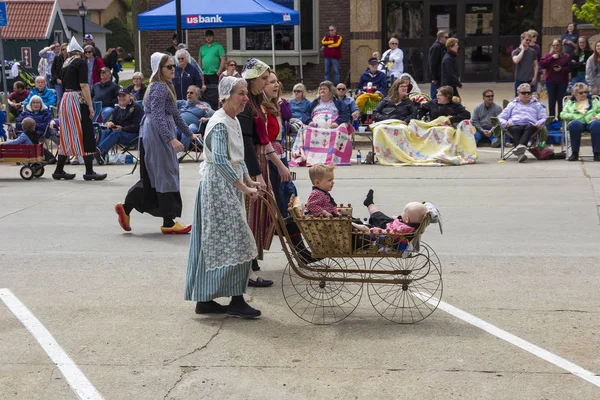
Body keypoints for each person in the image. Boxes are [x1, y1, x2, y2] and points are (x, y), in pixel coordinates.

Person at [184, 76, 263, 318]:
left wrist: (249, 180)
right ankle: (234, 300)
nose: (245, 98)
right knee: (233, 240)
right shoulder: (219, 123)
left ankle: (207, 299)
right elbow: (219, 160)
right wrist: (243, 186)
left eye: (246, 93)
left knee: (224, 241)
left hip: (230, 186)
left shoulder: (233, 120)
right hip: (218, 189)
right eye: (241, 93)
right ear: (226, 96)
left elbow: (237, 157)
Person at [114, 53, 197, 233]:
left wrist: (189, 134)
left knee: (158, 175)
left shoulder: (164, 86)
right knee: (164, 174)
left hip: (155, 131)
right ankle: (166, 221)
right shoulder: (159, 87)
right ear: (159, 69)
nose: (173, 69)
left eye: (173, 66)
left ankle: (131, 209)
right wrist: (171, 138)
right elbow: (159, 116)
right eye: (169, 67)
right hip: (157, 133)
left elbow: (174, 113)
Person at [238, 57, 291, 281]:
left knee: (260, 215)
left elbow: (264, 140)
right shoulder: (246, 105)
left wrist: (278, 165)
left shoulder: (257, 103)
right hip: (252, 165)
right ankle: (247, 264)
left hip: (261, 162)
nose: (266, 82)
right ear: (251, 80)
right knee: (251, 214)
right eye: (263, 78)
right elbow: (247, 143)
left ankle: (252, 259)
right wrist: (256, 174)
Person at [52, 37, 106, 181]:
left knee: (67, 133)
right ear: (81, 52)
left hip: (65, 99)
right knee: (86, 131)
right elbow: (84, 85)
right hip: (77, 99)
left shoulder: (65, 63)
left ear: (69, 52)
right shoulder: (81, 63)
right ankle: (89, 171)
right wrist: (90, 105)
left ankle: (59, 170)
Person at [497, 83, 548, 163]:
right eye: (524, 93)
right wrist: (505, 123)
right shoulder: (512, 104)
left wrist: (539, 123)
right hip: (514, 124)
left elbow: (544, 117)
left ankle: (519, 152)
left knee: (530, 127)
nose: (526, 94)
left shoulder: (537, 105)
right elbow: (501, 117)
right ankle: (520, 152)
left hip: (530, 124)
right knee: (516, 129)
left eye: (528, 93)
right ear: (518, 94)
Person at [96, 88, 144, 160]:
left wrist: (122, 128)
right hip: (120, 132)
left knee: (116, 133)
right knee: (106, 131)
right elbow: (113, 120)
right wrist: (110, 123)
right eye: (119, 96)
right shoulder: (117, 108)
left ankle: (99, 153)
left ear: (129, 96)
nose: (121, 98)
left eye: (123, 96)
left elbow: (138, 126)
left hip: (133, 135)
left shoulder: (136, 107)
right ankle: (100, 154)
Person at [560, 82, 600, 162]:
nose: (584, 94)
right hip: (577, 122)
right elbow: (562, 114)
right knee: (575, 124)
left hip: (591, 121)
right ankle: (575, 153)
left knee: (597, 124)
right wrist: (576, 117)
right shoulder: (570, 103)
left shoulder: (593, 100)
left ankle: (597, 153)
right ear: (575, 94)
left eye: (585, 92)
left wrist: (597, 117)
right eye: (581, 93)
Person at [362, 189, 427, 234]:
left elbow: (392, 233)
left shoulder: (404, 228)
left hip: (386, 228)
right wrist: (397, 219)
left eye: (402, 213)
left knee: (377, 216)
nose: (401, 215)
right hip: (391, 224)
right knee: (378, 215)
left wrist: (378, 231)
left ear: (407, 219)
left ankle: (369, 203)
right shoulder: (411, 225)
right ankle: (369, 203)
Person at [176, 85, 214, 153]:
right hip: (178, 127)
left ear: (198, 95)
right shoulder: (182, 103)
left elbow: (214, 116)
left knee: (189, 129)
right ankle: (169, 153)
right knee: (171, 129)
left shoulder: (203, 105)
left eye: (191, 93)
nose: (188, 94)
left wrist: (206, 117)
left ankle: (181, 152)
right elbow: (169, 102)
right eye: (187, 93)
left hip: (193, 126)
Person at [540, 39, 570, 118]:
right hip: (550, 81)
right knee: (551, 101)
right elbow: (542, 64)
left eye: (557, 45)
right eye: (554, 45)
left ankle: (560, 118)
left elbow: (570, 68)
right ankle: (552, 118)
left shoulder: (566, 56)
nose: (555, 47)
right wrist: (552, 58)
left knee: (561, 101)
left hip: (562, 81)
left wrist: (561, 69)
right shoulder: (548, 55)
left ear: (561, 46)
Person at [199, 29, 226, 110]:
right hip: (204, 74)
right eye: (207, 36)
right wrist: (200, 71)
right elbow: (199, 60)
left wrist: (219, 72)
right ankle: (206, 109)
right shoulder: (202, 48)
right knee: (205, 93)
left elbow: (223, 59)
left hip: (214, 74)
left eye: (210, 36)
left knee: (215, 93)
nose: (208, 38)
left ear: (213, 37)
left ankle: (215, 109)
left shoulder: (218, 47)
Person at [428, 30, 448, 99]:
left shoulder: (442, 47)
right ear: (441, 37)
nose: (447, 39)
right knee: (435, 95)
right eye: (446, 37)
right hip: (437, 77)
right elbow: (433, 63)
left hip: (441, 76)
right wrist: (434, 77)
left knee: (441, 95)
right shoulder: (436, 47)